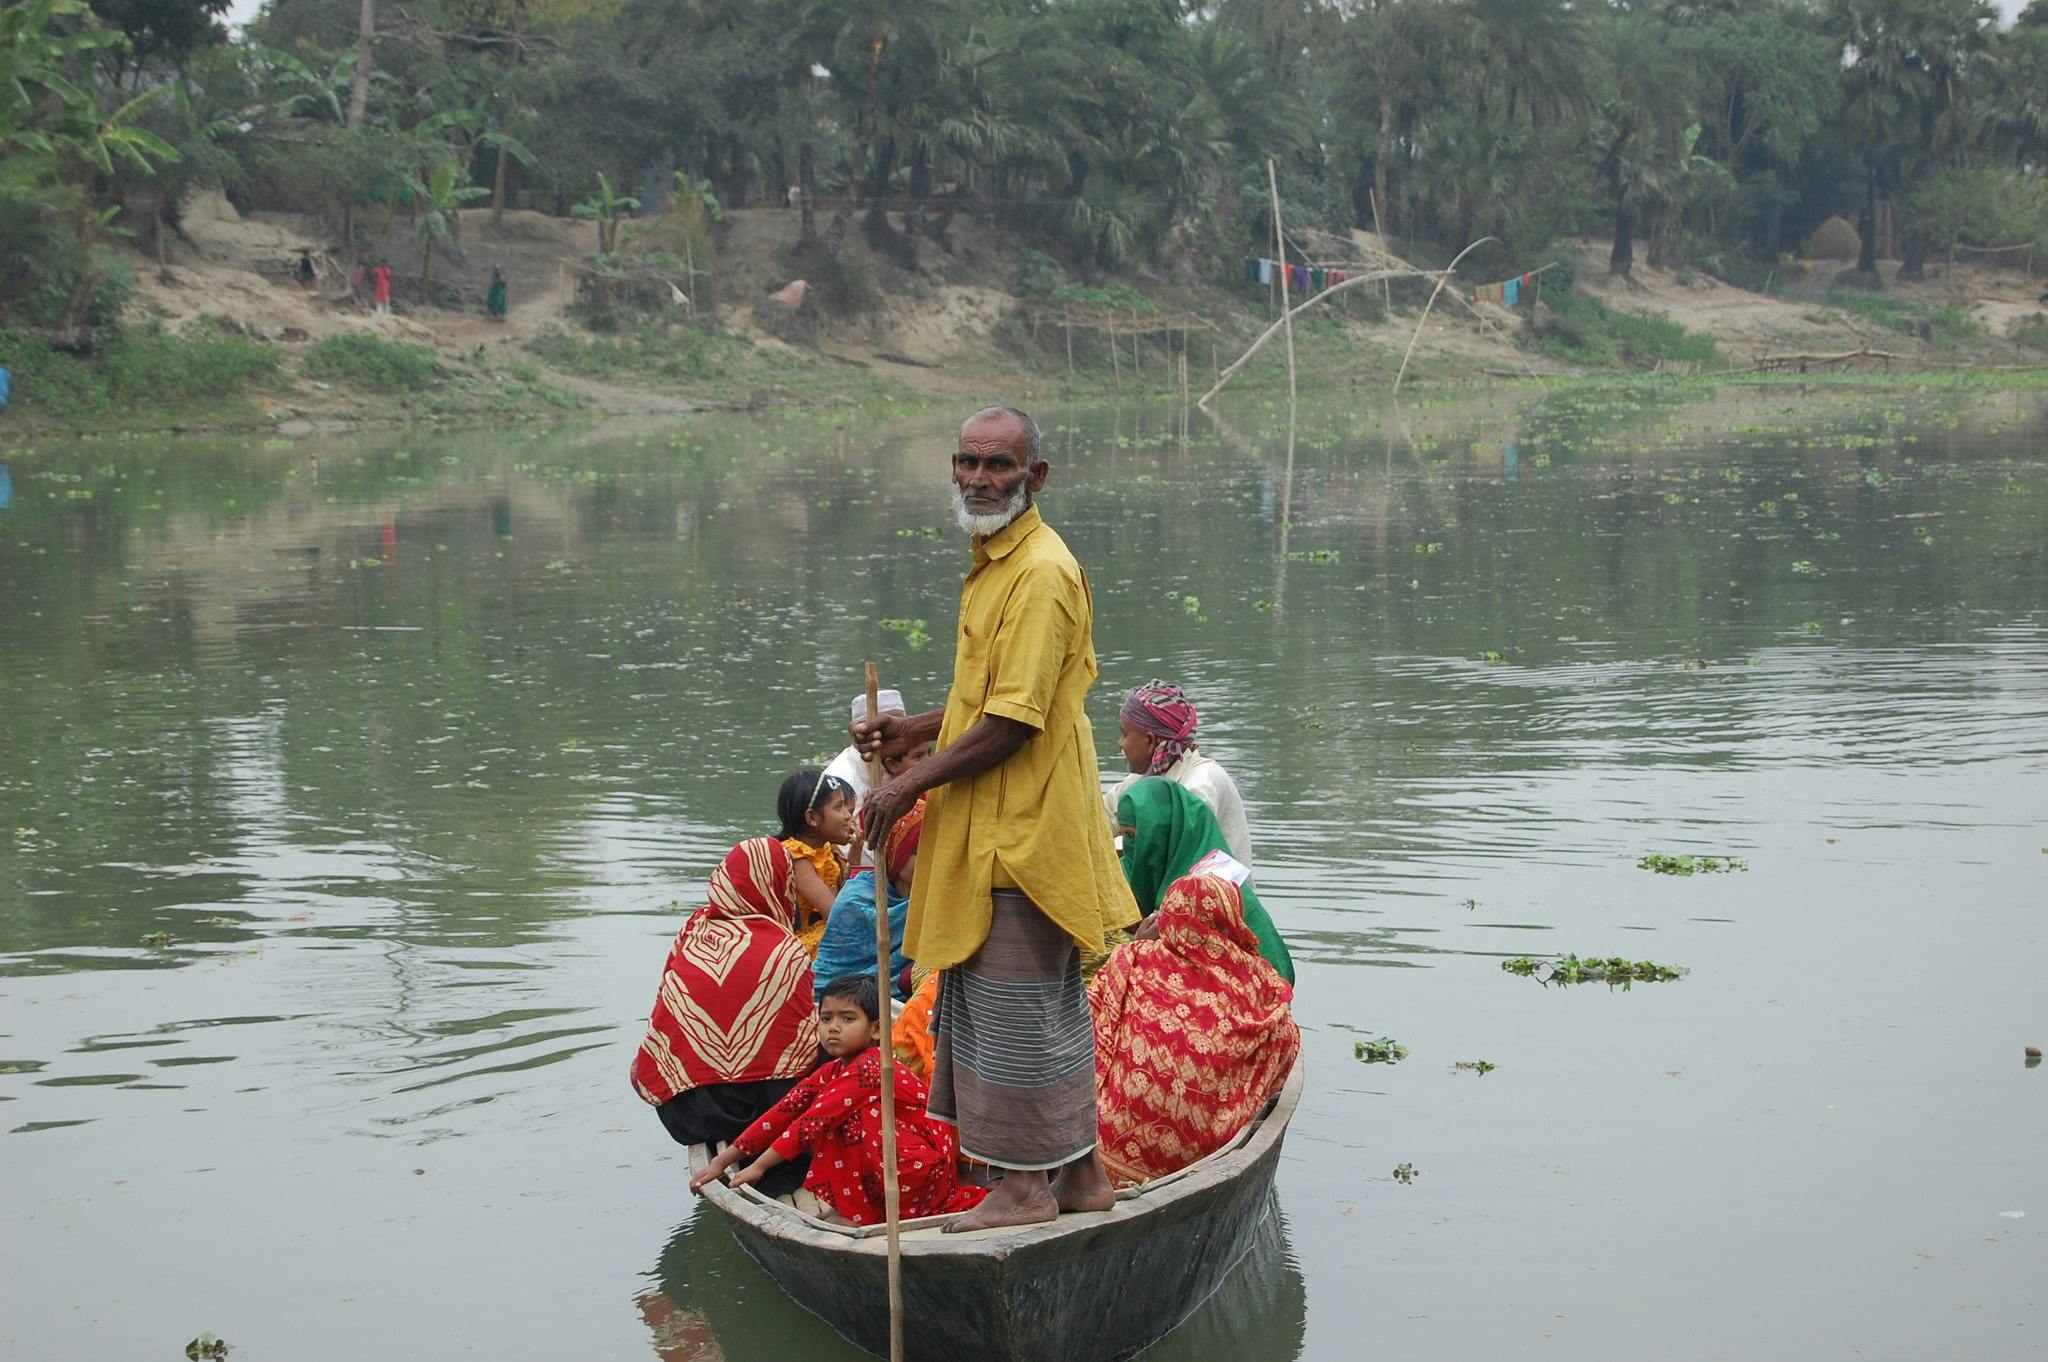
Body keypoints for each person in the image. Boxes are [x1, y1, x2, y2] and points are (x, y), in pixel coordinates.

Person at [854, 404, 1139, 1232]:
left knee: (1013, 1011)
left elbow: (1015, 724)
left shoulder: (1042, 571)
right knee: (1042, 1005)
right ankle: (1082, 1179)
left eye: (999, 466)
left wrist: (907, 785)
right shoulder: (997, 563)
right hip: (1004, 826)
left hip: (1023, 833)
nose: (979, 480)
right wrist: (911, 733)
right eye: (968, 464)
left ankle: (1021, 1192)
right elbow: (993, 700)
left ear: (1035, 477)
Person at [690, 973, 986, 1226]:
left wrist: (759, 1167)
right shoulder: (836, 1068)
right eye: (826, 1018)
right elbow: (786, 1109)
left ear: (875, 1029)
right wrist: (722, 1161)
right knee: (834, 1115)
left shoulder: (872, 1066)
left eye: (847, 1019)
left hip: (918, 1172)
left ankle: (862, 1212)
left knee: (840, 1120)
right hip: (902, 1162)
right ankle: (853, 1207)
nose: (833, 1028)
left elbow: (810, 1123)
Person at [630, 838, 824, 1197]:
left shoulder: (692, 930)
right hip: (761, 1115)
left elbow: (663, 1018)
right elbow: (801, 1049)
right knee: (829, 1044)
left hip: (687, 1113)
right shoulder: (785, 950)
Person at [1089, 873, 1299, 1187]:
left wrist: (1137, 949)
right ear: (1232, 920)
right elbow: (1285, 1047)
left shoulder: (1131, 959)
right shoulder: (1259, 982)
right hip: (1195, 1164)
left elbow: (1084, 1036)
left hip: (1102, 1161)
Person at [1117, 777, 1293, 983]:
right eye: (1123, 837)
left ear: (1162, 834)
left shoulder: (1219, 895)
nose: (1129, 849)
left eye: (1132, 836)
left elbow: (1274, 976)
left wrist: (1145, 950)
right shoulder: (1126, 878)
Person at [1105, 680, 1253, 866]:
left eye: (1124, 734)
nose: (1120, 743)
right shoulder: (1140, 781)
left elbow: (1168, 849)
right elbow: (1100, 819)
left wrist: (1116, 846)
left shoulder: (1202, 781)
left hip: (1219, 891)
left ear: (1150, 741)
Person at [810, 797, 923, 1001]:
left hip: (911, 1007)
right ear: (895, 851)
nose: (928, 859)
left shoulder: (939, 902)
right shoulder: (856, 900)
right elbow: (827, 980)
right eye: (916, 851)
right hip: (847, 1007)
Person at [822, 689, 930, 833]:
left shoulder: (899, 762)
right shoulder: (843, 778)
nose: (900, 737)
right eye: (889, 730)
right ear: (864, 733)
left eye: (900, 727)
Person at [778, 768, 856, 954]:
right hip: (804, 944)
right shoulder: (797, 857)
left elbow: (845, 891)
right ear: (812, 818)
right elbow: (834, 914)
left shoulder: (828, 849)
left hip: (829, 927)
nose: (848, 815)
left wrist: (857, 849)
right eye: (839, 808)